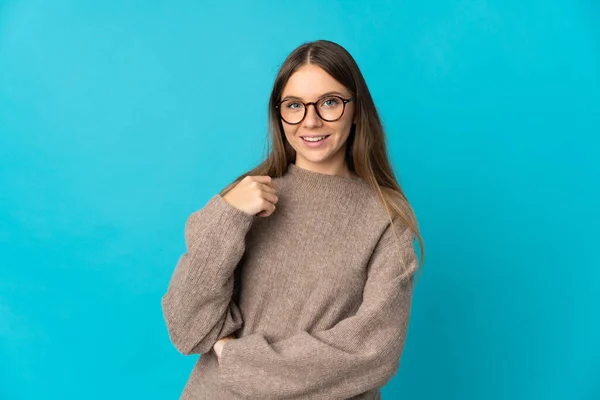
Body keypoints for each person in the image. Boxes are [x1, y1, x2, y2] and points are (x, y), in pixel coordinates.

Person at [161, 39, 425, 400]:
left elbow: (374, 350)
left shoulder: (386, 217)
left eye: (329, 102)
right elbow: (187, 327)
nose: (310, 120)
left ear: (356, 108)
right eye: (294, 105)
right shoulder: (242, 202)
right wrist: (228, 216)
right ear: (279, 113)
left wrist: (236, 358)